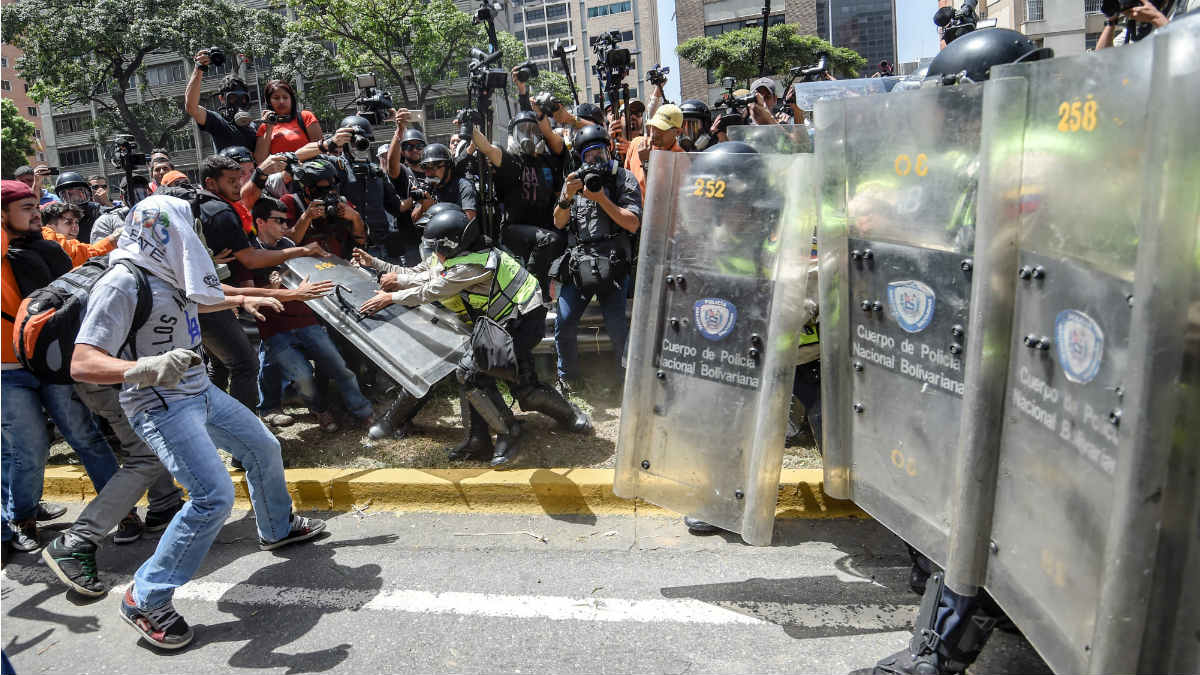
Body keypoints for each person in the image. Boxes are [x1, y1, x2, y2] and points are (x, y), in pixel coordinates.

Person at [854, 26, 1054, 675]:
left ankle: (939, 654)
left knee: (979, 502)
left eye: (956, 110)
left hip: (1023, 366)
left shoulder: (1041, 166)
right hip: (986, 358)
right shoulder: (990, 164)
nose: (950, 126)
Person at [71, 194, 325, 650]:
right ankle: (145, 598)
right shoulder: (122, 283)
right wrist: (140, 369)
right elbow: (82, 362)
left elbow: (195, 301)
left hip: (199, 390)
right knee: (213, 496)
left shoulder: (165, 268)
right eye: (186, 227)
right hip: (158, 403)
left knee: (263, 446)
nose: (194, 239)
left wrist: (244, 299)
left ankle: (276, 527)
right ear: (165, 231)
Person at [356, 208, 591, 467]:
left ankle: (514, 430)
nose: (433, 251)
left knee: (477, 375)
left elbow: (432, 288)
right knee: (489, 379)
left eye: (436, 244)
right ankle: (480, 440)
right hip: (504, 320)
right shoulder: (459, 256)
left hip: (522, 320)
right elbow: (424, 274)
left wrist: (390, 297)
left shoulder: (472, 265)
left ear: (451, 242)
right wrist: (377, 266)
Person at [1, 180, 120, 555]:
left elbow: (88, 252)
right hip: (8, 370)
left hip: (53, 363)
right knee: (29, 447)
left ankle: (121, 507)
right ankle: (22, 516)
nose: (37, 213)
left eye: (37, 205)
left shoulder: (50, 243)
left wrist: (123, 232)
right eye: (25, 208)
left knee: (84, 435)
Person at [194, 155, 327, 414]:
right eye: (231, 181)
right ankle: (246, 432)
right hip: (216, 296)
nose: (237, 186)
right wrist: (297, 252)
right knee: (245, 364)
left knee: (222, 363)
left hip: (209, 293)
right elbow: (251, 260)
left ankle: (214, 417)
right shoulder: (221, 212)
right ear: (210, 183)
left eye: (239, 179)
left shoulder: (201, 205)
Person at [247, 197, 372, 432]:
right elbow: (245, 294)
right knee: (303, 375)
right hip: (275, 330)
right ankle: (320, 410)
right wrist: (272, 290)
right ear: (261, 222)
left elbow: (314, 272)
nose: (286, 226)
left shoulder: (288, 243)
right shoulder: (249, 253)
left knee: (339, 367)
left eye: (287, 221)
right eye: (279, 221)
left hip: (306, 321)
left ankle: (363, 412)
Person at [551, 124, 642, 394]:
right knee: (564, 320)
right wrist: (566, 197)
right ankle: (568, 377)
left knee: (617, 326)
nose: (594, 159)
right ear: (580, 158)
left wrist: (601, 198)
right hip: (580, 261)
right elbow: (558, 222)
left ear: (609, 150)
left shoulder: (623, 178)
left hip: (613, 261)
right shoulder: (574, 181)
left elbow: (633, 223)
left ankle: (625, 380)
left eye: (599, 152)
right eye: (588, 155)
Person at [470, 111, 566, 302]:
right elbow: (488, 148)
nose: (529, 135)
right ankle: (529, 293)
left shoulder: (547, 162)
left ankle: (542, 300)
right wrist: (471, 127)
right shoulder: (512, 161)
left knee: (558, 241)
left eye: (533, 130)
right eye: (523, 130)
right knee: (549, 240)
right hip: (514, 229)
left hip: (542, 229)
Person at [185, 50, 258, 151]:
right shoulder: (218, 121)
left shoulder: (254, 126)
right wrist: (199, 69)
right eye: (233, 98)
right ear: (222, 98)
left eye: (243, 98)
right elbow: (191, 107)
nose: (239, 102)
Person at [253, 80, 322, 163]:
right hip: (281, 174)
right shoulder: (264, 127)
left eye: (285, 97)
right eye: (276, 98)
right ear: (269, 102)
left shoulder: (306, 117)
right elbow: (260, 161)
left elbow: (320, 149)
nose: (281, 101)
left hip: (309, 171)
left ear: (291, 99)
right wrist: (269, 129)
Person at [625, 104, 685, 196]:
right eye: (653, 126)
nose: (654, 134)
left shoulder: (682, 160)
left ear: (677, 132)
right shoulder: (636, 144)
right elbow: (624, 182)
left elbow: (658, 196)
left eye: (661, 129)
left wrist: (646, 163)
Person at [413, 143, 478, 224]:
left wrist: (433, 209)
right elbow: (415, 219)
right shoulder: (428, 188)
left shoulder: (463, 186)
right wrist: (422, 206)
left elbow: (470, 225)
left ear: (448, 166)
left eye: (434, 166)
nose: (429, 172)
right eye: (425, 167)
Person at [1097, 0, 1172, 49]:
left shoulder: (1180, 10)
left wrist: (1156, 18)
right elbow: (1101, 57)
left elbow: (1181, 49)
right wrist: (1112, 20)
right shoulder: (1135, 29)